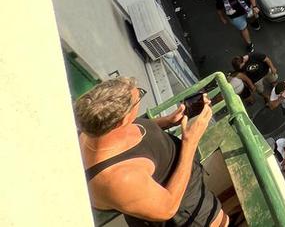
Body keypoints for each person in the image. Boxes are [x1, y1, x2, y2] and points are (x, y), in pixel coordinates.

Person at [77, 78, 227, 227]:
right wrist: (190, 142)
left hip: (189, 187)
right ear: (121, 121)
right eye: (139, 98)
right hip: (186, 212)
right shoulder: (118, 178)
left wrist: (168, 121)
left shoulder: (98, 129)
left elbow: (136, 136)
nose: (140, 99)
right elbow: (167, 209)